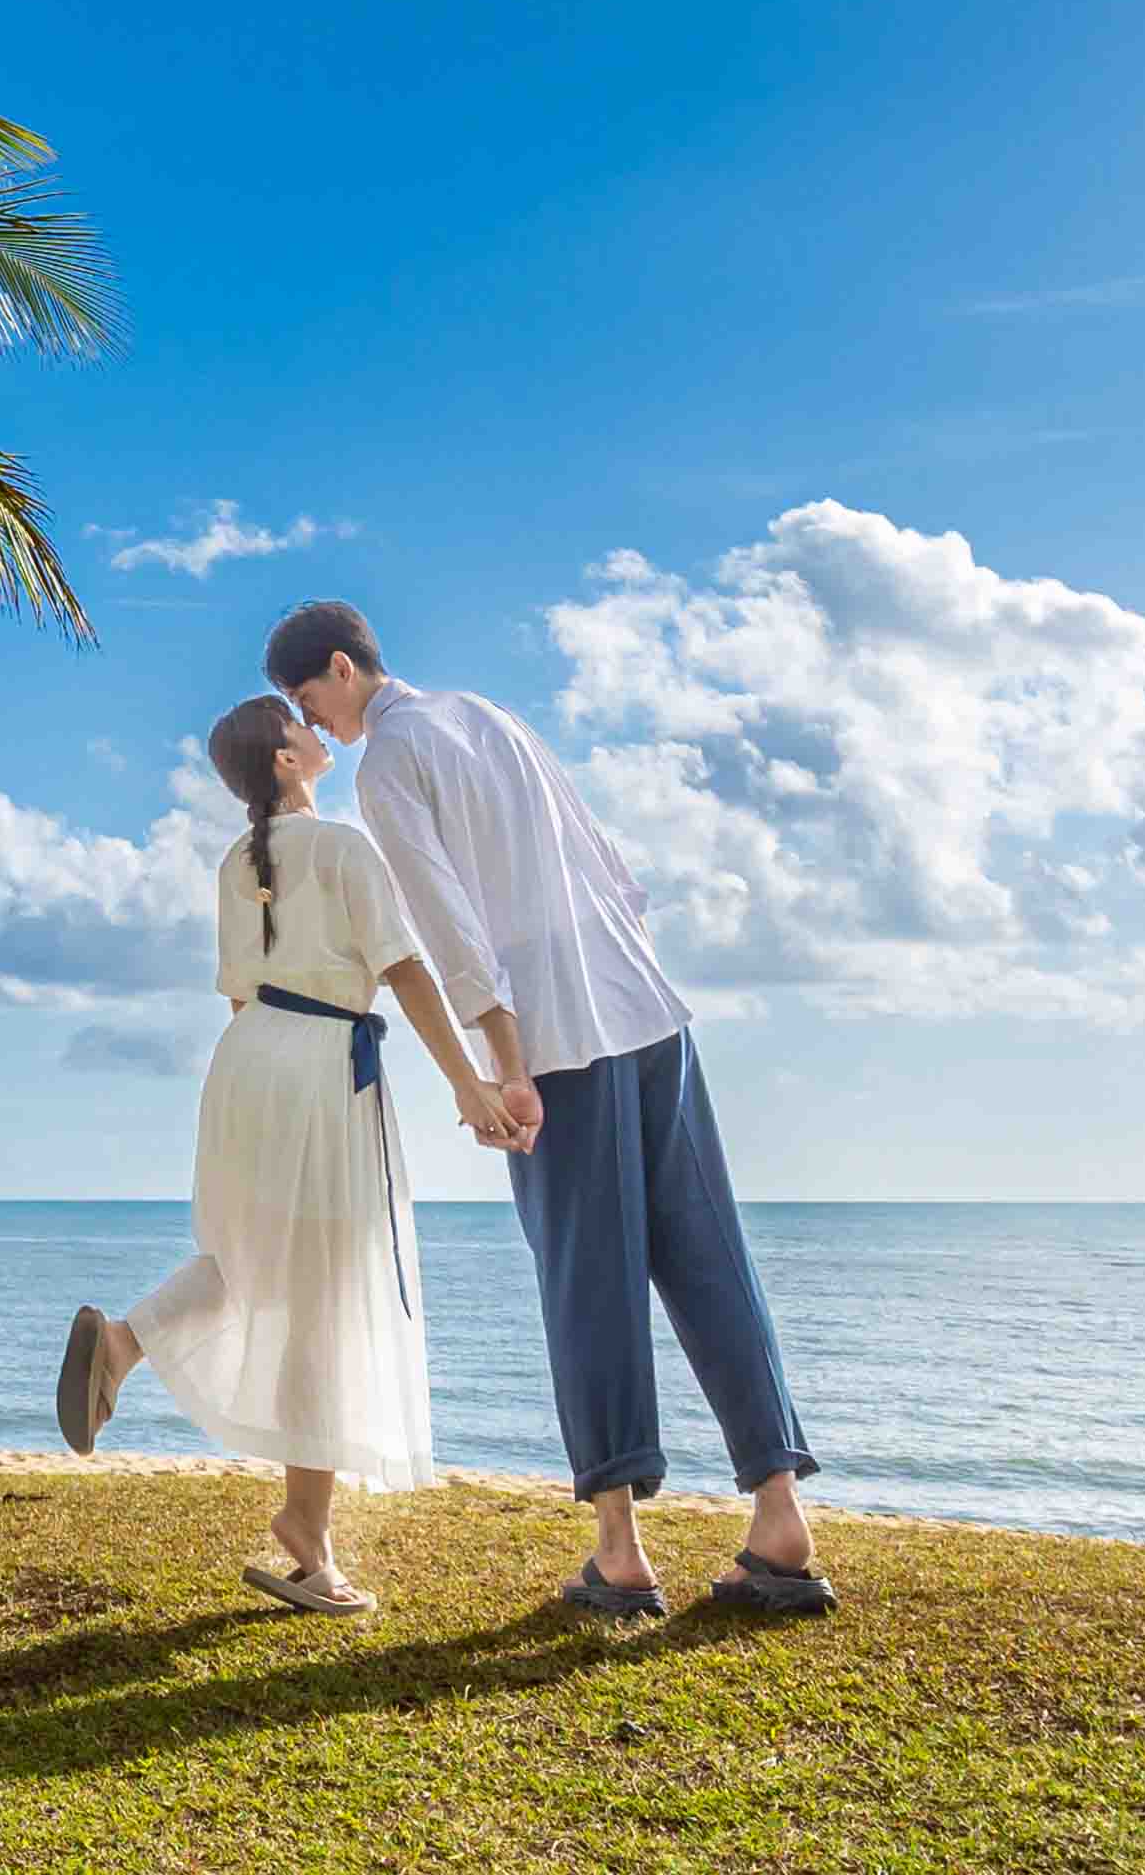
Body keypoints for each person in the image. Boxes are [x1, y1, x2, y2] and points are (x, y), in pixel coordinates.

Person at [270, 595, 835, 1624]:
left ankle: (620, 1553)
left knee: (588, 1277)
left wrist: (504, 1060)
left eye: (310, 699)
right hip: (645, 1007)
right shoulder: (487, 712)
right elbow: (612, 867)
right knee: (710, 1252)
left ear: (343, 670)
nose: (314, 725)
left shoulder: (390, 763)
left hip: (559, 1036)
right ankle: (780, 1519)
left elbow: (446, 919)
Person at [46, 691, 522, 1615]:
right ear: (285, 759)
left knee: (256, 1262)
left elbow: (238, 993)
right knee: (327, 1289)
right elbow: (406, 970)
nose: (316, 732)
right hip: (320, 1069)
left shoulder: (235, 862)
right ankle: (305, 1526)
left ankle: (128, 1343)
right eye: (300, 728)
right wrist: (469, 1081)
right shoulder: (343, 847)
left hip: (246, 1062)